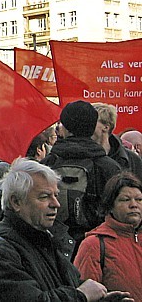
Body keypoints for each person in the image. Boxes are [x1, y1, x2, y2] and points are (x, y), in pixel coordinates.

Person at [0, 157, 133, 302]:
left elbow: (69, 285)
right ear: (16, 202)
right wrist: (81, 296)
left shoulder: (44, 241)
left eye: (56, 195)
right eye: (44, 196)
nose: (56, 204)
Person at [41, 100, 121, 246]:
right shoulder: (109, 167)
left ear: (64, 128)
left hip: (52, 243)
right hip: (99, 244)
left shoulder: (46, 165)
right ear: (92, 128)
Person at [74, 172, 142, 301]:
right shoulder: (94, 244)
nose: (134, 204)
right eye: (125, 199)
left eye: (139, 199)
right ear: (110, 205)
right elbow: (84, 295)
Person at [92, 103, 142, 181]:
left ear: (106, 127)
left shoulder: (132, 159)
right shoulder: (81, 155)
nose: (86, 126)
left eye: (92, 122)